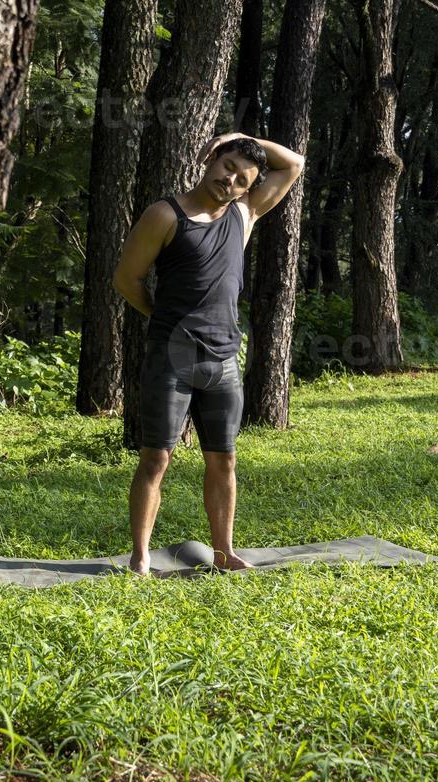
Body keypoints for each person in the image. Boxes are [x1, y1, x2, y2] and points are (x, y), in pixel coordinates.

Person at [113, 130, 305, 575]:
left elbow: (292, 164)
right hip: (171, 356)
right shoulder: (165, 214)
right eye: (228, 167)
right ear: (211, 159)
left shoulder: (245, 213)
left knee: (224, 457)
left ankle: (223, 550)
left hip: (223, 360)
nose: (232, 181)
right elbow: (126, 280)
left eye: (243, 178)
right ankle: (140, 557)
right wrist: (165, 320)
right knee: (156, 458)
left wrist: (243, 135)